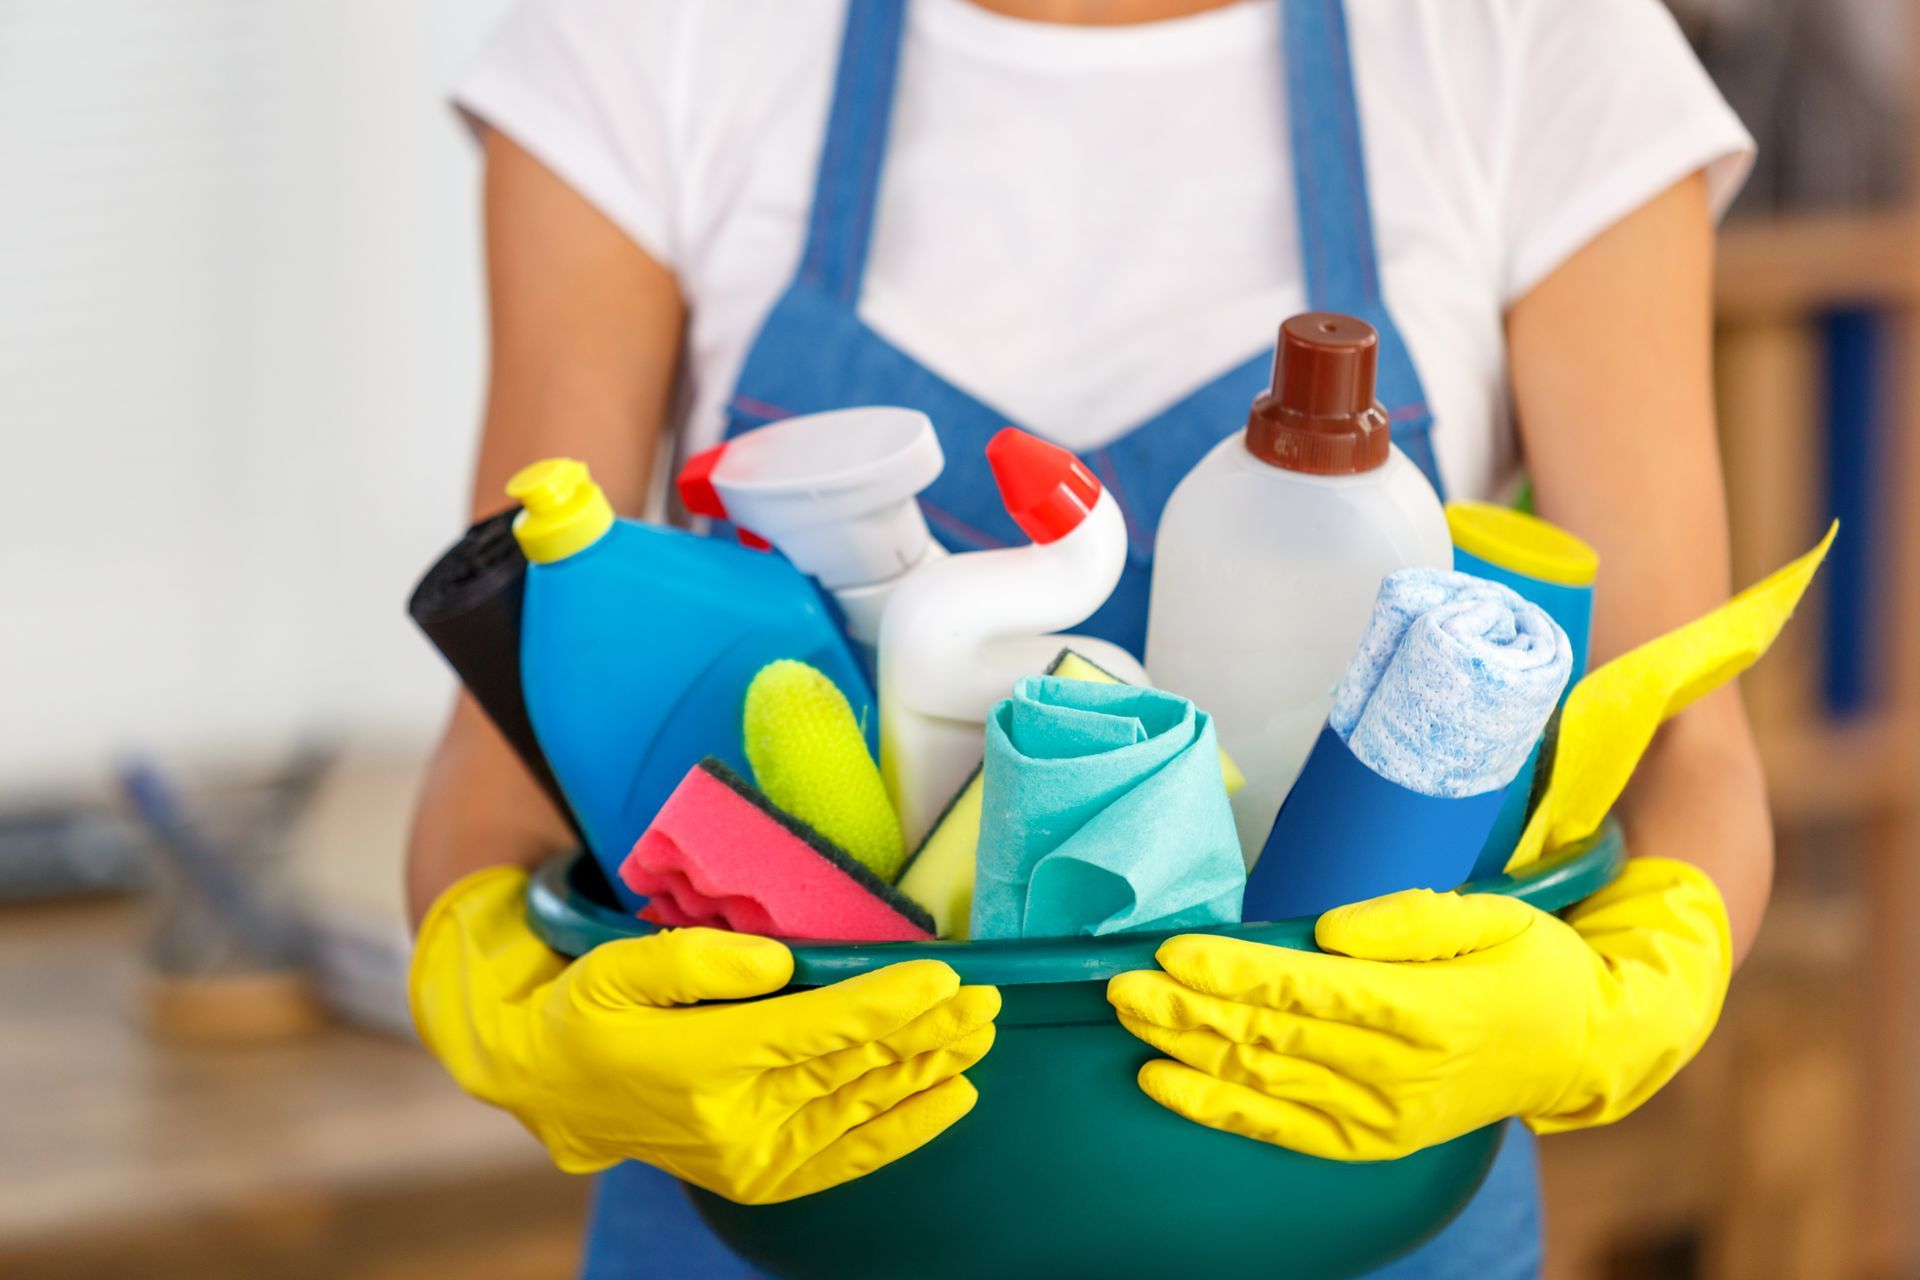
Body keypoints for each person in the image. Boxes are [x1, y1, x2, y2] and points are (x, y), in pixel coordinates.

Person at [406, 1, 1762, 1275]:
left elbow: (1683, 743)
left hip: (1359, 1202)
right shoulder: (657, 37)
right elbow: (503, 751)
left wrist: (1629, 990)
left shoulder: (1531, 40)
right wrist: (510, 1002)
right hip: (784, 1201)